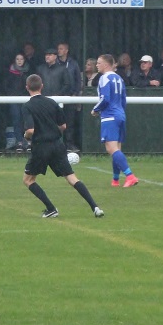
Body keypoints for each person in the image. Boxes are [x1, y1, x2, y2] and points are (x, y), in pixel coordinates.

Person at [22, 73, 104, 219]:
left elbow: (30, 130)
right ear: (42, 86)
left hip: (41, 147)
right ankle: (95, 207)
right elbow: (63, 126)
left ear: (27, 87)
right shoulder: (52, 103)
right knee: (72, 178)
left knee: (28, 180)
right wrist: (52, 131)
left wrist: (27, 137)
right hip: (57, 145)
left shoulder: (28, 106)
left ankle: (51, 209)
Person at [92, 53, 139, 187]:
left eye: (99, 63)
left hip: (110, 116)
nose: (97, 65)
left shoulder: (104, 78)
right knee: (117, 149)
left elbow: (105, 99)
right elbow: (123, 99)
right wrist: (121, 112)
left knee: (111, 148)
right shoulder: (119, 78)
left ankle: (130, 176)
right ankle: (115, 180)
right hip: (120, 114)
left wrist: (95, 109)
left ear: (106, 64)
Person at [57, 42, 84, 150]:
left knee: (70, 122)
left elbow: (78, 80)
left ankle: (69, 144)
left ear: (66, 50)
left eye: (61, 49)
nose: (59, 51)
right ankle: (57, 144)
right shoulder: (56, 63)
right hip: (58, 97)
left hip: (70, 97)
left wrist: (75, 93)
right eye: (58, 49)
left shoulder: (73, 63)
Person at [3, 53, 30, 150]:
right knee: (16, 120)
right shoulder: (10, 73)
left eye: (21, 59)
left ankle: (27, 141)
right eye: (17, 59)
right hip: (14, 100)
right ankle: (19, 141)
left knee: (26, 121)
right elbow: (6, 86)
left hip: (25, 100)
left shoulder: (28, 72)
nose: (19, 61)